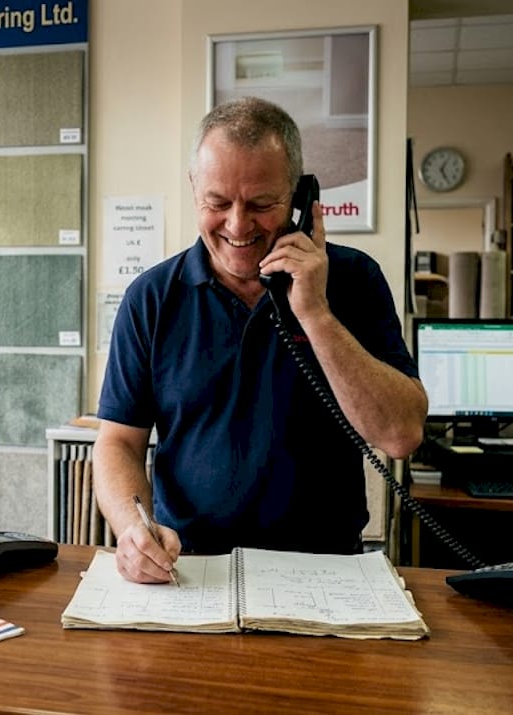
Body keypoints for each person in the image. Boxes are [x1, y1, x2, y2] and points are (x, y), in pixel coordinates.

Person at [93, 97, 428, 583]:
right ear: (194, 189)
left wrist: (315, 313)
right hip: (191, 571)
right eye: (217, 202)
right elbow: (118, 442)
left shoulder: (355, 279)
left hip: (325, 572)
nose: (236, 225)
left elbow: (401, 436)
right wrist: (133, 529)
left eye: (260, 204)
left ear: (299, 197)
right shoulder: (151, 298)